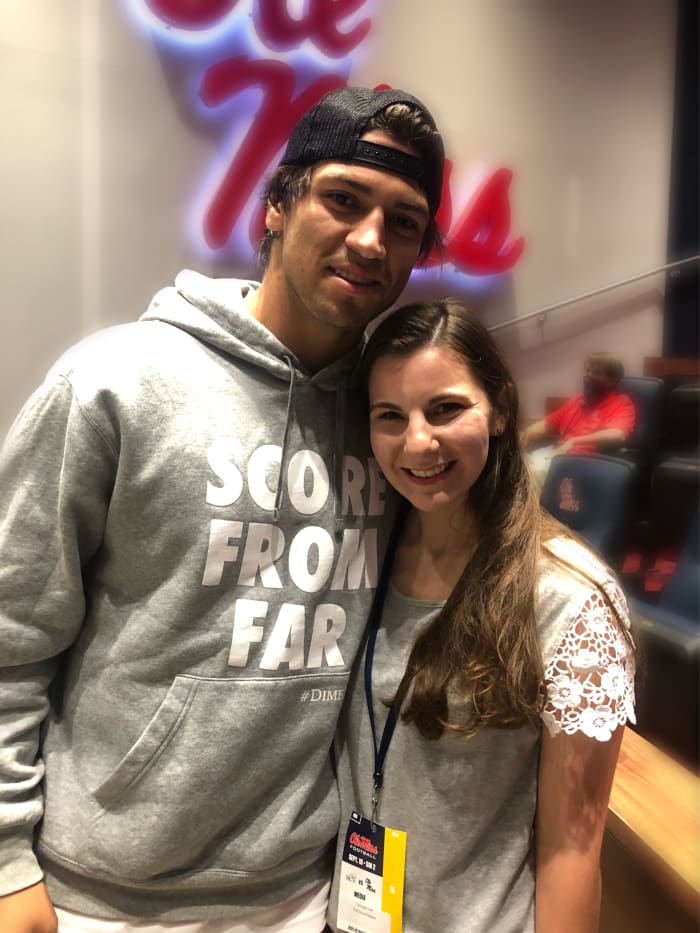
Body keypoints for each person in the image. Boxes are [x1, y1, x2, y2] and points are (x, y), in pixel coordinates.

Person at [0, 87, 445, 933]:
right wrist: (5, 861)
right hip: (101, 898)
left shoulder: (392, 422)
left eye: (404, 221)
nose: (369, 241)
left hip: (309, 888)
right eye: (343, 200)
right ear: (277, 204)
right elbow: (10, 634)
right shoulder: (114, 384)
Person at [325, 300, 636, 933]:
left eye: (445, 409)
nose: (418, 441)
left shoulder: (569, 598)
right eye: (391, 416)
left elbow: (571, 852)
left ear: (496, 407)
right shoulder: (365, 555)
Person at [523, 351, 636, 487]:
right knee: (516, 466)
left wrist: (574, 441)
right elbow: (546, 424)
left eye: (597, 373)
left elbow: (618, 434)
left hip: (585, 461)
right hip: (557, 452)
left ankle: (532, 508)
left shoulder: (621, 402)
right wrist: (524, 435)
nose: (589, 377)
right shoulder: (577, 400)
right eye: (588, 372)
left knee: (533, 472)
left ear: (612, 380)